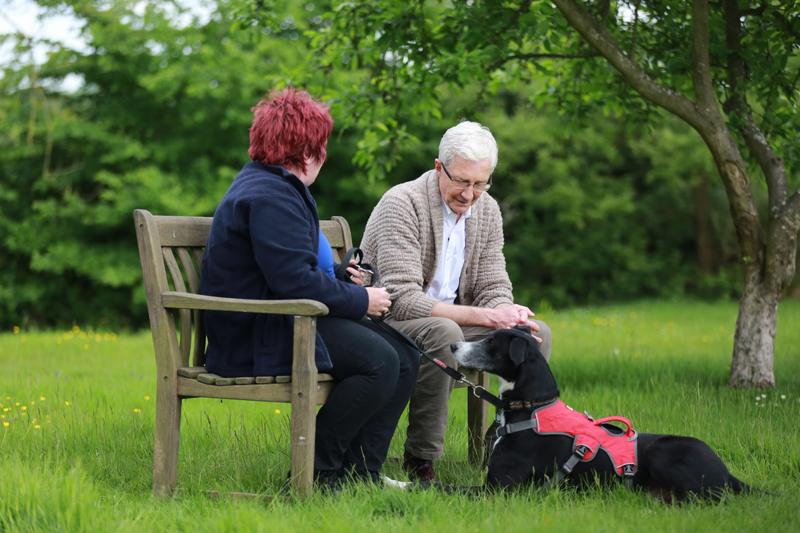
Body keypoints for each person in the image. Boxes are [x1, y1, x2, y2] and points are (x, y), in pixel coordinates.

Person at [199, 88, 418, 489]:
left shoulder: (271, 186)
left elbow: (283, 268)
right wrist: (361, 299)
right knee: (381, 362)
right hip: (259, 334)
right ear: (307, 150)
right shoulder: (270, 195)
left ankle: (360, 474)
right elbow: (292, 281)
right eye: (323, 146)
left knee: (404, 356)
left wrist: (337, 275)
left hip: (277, 319)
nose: (325, 155)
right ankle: (318, 474)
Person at [360, 120, 553, 483]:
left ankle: (516, 441)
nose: (469, 194)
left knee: (534, 332)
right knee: (442, 330)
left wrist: (505, 312)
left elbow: (492, 282)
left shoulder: (488, 210)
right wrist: (484, 315)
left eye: (480, 183)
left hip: (449, 319)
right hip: (391, 322)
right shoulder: (401, 204)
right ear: (438, 168)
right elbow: (401, 300)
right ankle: (421, 459)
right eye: (461, 181)